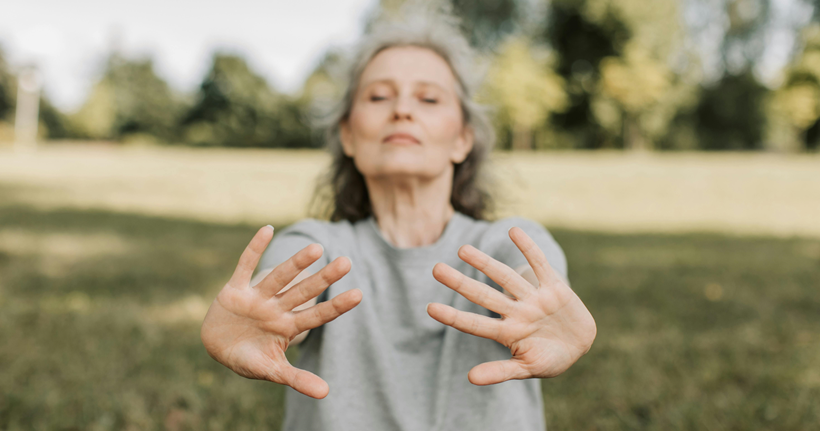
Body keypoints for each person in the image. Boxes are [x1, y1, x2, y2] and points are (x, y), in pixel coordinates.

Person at [200, 7, 596, 431]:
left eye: (428, 98)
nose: (403, 109)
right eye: (378, 96)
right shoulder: (316, 242)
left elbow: (539, 280)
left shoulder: (508, 241)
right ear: (348, 134)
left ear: (462, 138)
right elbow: (287, 291)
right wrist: (264, 320)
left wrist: (547, 312)